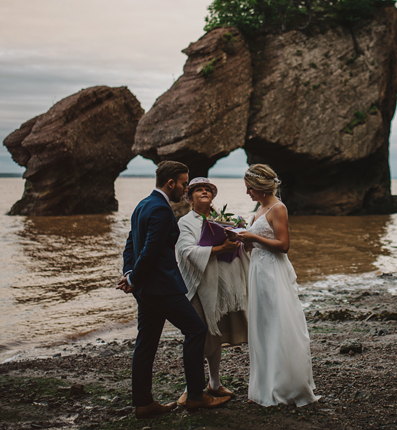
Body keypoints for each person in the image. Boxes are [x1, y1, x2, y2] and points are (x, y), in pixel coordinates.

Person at [118, 161, 230, 418]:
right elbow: (149, 251)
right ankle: (195, 396)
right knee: (196, 330)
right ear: (171, 183)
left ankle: (144, 403)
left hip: (145, 290)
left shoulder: (142, 205)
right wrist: (133, 277)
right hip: (162, 288)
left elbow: (130, 245)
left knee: (145, 342)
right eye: (183, 183)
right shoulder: (161, 210)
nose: (185, 188)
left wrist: (130, 275)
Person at [235, 164, 320, 407]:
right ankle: (265, 383)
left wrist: (252, 237)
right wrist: (241, 239)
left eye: (249, 188)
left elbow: (283, 245)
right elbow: (253, 246)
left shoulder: (278, 208)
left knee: (279, 323)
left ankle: (286, 385)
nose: (248, 192)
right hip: (258, 271)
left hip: (273, 271)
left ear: (260, 187)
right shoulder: (258, 210)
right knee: (263, 324)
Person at [174, 177, 249, 404]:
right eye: (198, 190)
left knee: (215, 333)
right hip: (198, 285)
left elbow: (240, 244)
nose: (204, 192)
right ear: (189, 197)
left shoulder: (221, 219)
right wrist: (220, 248)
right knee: (198, 336)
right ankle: (191, 387)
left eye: (207, 189)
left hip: (220, 286)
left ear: (213, 196)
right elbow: (186, 251)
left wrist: (237, 240)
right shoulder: (185, 222)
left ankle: (214, 383)